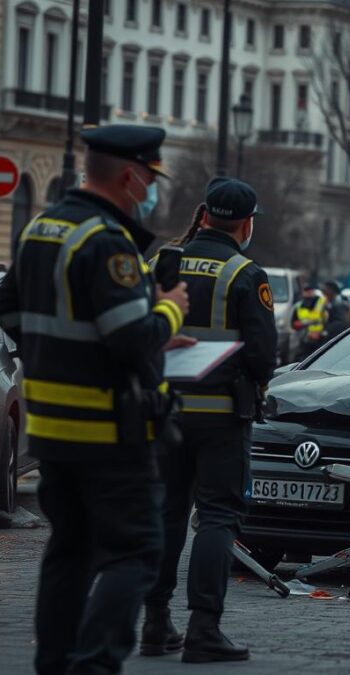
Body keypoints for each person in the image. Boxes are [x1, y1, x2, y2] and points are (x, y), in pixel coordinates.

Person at [0, 125, 190, 675]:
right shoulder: (107, 241)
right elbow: (131, 339)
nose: (151, 188)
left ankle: (55, 664)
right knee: (136, 552)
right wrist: (170, 310)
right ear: (130, 176)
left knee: (69, 551)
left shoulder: (41, 227)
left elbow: (8, 305)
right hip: (108, 428)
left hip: (54, 429)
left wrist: (54, 352)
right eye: (151, 176)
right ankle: (96, 664)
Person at [142, 178, 277, 663]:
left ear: (202, 214)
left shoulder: (160, 261)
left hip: (161, 412)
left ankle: (155, 623)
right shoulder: (244, 272)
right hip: (221, 417)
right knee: (218, 517)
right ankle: (204, 629)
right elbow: (263, 356)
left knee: (165, 514)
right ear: (246, 223)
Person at [290, 284, 326, 361]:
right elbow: (293, 324)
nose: (308, 292)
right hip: (304, 338)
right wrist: (301, 325)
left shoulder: (321, 303)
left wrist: (320, 332)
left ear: (313, 291)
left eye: (310, 290)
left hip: (319, 337)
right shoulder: (298, 306)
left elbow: (327, 320)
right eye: (306, 290)